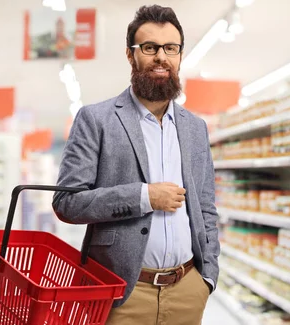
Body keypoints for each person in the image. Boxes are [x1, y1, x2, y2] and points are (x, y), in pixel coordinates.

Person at [52, 4, 220, 325]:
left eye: (171, 48)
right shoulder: (96, 119)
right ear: (131, 55)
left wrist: (207, 276)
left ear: (180, 55)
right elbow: (67, 203)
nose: (161, 57)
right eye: (149, 47)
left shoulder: (194, 127)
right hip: (122, 293)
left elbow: (206, 206)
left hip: (187, 289)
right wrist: (143, 197)